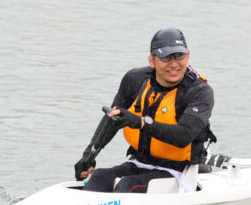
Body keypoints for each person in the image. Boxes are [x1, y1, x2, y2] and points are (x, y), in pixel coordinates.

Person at [74, 28, 215, 193]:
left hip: (178, 171)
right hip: (139, 162)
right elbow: (112, 120)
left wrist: (140, 122)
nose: (174, 64)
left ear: (188, 56)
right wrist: (89, 156)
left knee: (127, 186)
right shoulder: (135, 80)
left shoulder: (200, 91)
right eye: (166, 57)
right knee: (99, 176)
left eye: (179, 56)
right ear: (152, 60)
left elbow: (184, 136)